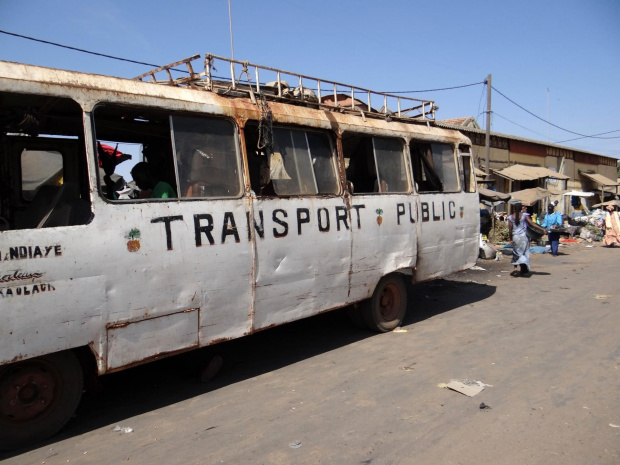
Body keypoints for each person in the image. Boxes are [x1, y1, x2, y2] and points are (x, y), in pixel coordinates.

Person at [507, 201, 545, 276]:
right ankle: (523, 268)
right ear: (521, 208)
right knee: (524, 252)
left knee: (517, 252)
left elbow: (510, 230)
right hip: (524, 237)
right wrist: (542, 229)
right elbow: (532, 224)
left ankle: (521, 267)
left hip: (515, 237)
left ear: (514, 209)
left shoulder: (510, 217)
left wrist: (510, 239)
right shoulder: (524, 215)